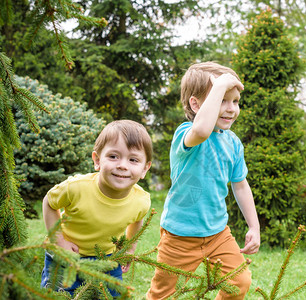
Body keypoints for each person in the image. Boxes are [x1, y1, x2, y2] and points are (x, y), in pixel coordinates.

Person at [147, 62, 260, 300]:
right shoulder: (186, 133)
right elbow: (202, 130)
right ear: (196, 104)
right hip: (179, 235)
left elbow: (240, 184)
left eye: (235, 101)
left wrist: (254, 226)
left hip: (218, 233)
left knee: (239, 281)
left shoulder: (233, 143)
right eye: (221, 99)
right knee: (163, 295)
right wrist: (219, 84)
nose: (231, 109)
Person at [41, 120, 153, 296]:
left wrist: (128, 249)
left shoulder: (141, 200)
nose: (122, 165)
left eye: (133, 159)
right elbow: (49, 201)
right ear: (97, 160)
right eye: (113, 156)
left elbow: (137, 219)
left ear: (145, 168)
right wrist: (59, 240)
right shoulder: (76, 188)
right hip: (66, 257)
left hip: (107, 260)